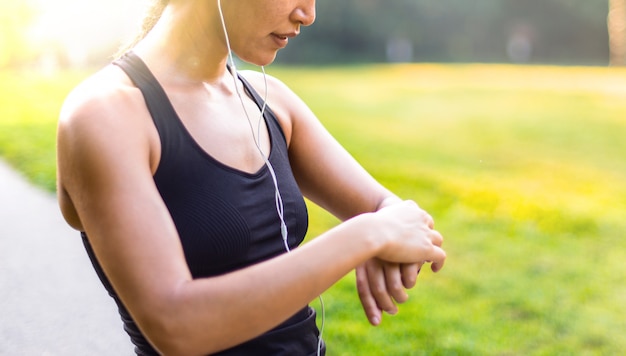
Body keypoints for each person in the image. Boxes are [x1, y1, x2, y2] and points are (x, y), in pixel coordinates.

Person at [56, 0, 447, 355]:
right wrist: (366, 236)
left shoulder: (270, 101)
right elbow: (177, 327)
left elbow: (399, 216)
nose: (307, 14)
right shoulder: (104, 116)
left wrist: (388, 230)